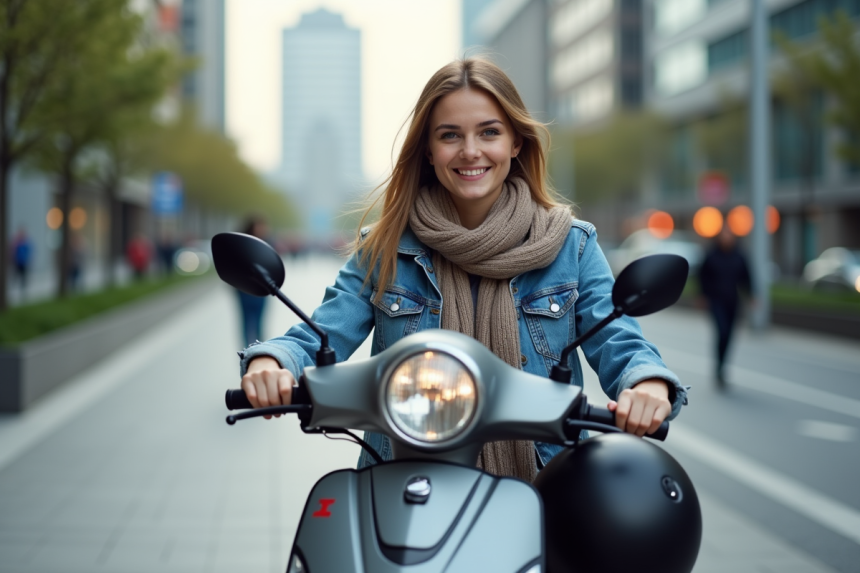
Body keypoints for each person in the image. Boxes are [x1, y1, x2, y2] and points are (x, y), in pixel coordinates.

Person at [237, 58, 687, 482]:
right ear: (429, 150)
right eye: (450, 135)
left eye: (489, 132)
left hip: (544, 489)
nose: (470, 151)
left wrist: (645, 383)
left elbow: (619, 340)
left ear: (515, 142)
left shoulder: (572, 244)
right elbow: (320, 335)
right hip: (403, 486)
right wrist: (272, 361)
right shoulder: (385, 246)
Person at [698, 225, 752, 389]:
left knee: (729, 335)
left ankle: (722, 367)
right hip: (716, 300)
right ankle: (718, 367)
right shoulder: (712, 255)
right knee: (721, 331)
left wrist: (751, 295)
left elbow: (747, 276)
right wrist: (702, 295)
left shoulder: (739, 256)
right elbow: (702, 276)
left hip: (733, 301)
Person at [236, 216, 270, 347]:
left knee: (259, 321)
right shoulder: (242, 244)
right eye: (260, 226)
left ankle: (260, 349)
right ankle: (246, 350)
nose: (264, 230)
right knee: (246, 321)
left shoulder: (266, 243)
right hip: (244, 291)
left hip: (261, 290)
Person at [11, 227, 32, 294]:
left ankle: (23, 288)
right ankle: (14, 287)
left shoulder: (25, 243)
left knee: (23, 276)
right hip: (18, 262)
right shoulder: (17, 243)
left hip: (24, 262)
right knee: (17, 275)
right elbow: (14, 252)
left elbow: (28, 253)